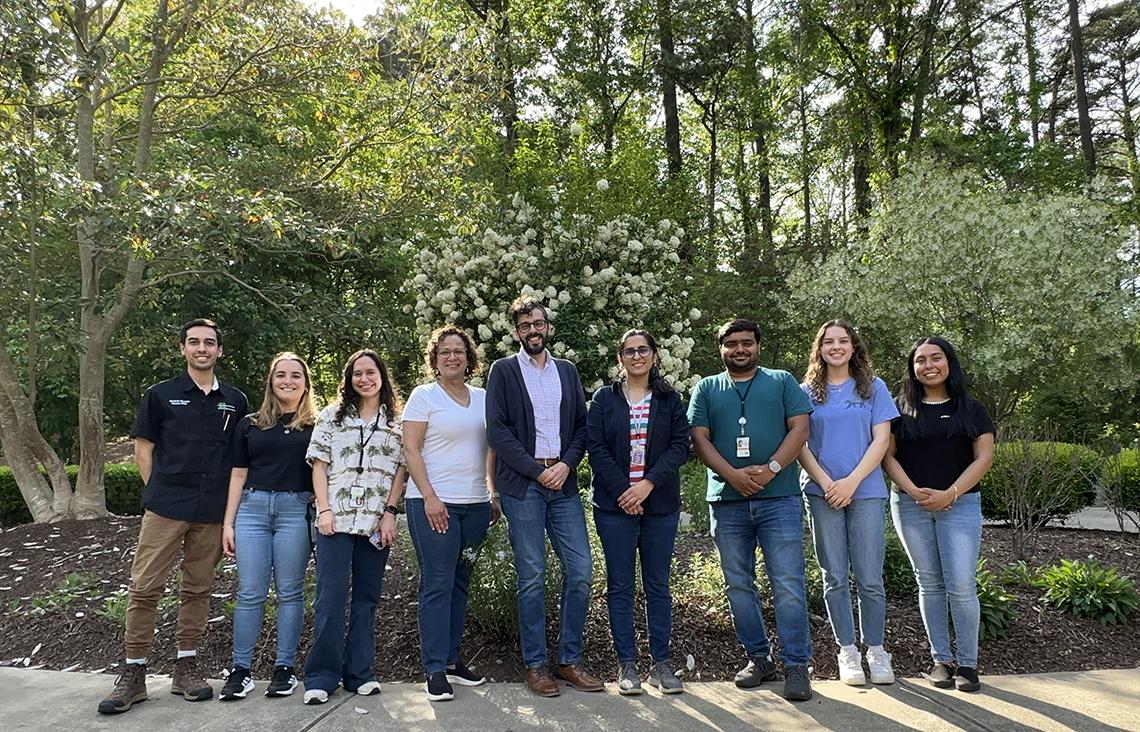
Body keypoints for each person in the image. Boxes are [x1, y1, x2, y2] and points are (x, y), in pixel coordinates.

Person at [98, 318, 249, 714]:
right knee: (145, 588)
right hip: (166, 508)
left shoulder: (235, 400)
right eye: (195, 342)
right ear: (182, 348)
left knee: (198, 589)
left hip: (211, 512)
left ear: (218, 351)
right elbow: (143, 449)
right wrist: (154, 495)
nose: (202, 348)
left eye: (210, 343)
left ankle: (187, 667)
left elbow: (239, 461)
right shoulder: (160, 396)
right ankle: (133, 674)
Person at [688, 318, 814, 702]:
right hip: (728, 502)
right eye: (731, 344)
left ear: (758, 346)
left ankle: (796, 665)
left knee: (788, 583)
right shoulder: (707, 388)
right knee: (739, 584)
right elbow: (699, 438)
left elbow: (800, 428)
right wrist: (732, 475)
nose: (739, 349)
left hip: (779, 500)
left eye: (746, 342)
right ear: (720, 348)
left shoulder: (782, 381)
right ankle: (759, 657)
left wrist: (772, 468)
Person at [485, 295, 602, 697]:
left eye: (537, 324)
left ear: (548, 326)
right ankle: (536, 665)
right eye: (524, 326)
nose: (532, 331)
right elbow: (498, 432)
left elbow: (583, 427)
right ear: (516, 332)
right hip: (523, 486)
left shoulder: (567, 371)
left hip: (564, 483)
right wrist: (538, 471)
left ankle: (568, 660)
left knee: (581, 571)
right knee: (532, 576)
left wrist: (566, 465)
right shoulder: (503, 371)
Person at [883, 337, 995, 693]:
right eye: (920, 360)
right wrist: (913, 491)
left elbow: (984, 458)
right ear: (912, 368)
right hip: (910, 506)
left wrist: (951, 493)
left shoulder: (972, 409)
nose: (928, 365)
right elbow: (887, 456)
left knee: (961, 585)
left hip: (960, 505)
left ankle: (968, 665)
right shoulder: (898, 409)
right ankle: (940, 660)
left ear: (949, 363)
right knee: (928, 583)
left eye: (936, 358)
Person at [587, 329, 691, 696]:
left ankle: (660, 663)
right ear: (620, 358)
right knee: (620, 586)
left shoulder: (669, 399)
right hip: (614, 508)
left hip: (659, 506)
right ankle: (626, 663)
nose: (636, 356)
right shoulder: (603, 399)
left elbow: (681, 446)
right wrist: (624, 492)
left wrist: (646, 485)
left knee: (657, 585)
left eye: (642, 349)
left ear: (654, 355)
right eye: (629, 351)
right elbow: (595, 448)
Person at [399, 325, 499, 702]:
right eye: (444, 352)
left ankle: (454, 662)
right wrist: (430, 497)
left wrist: (492, 493)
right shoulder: (423, 396)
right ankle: (435, 669)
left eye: (458, 351)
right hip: (433, 505)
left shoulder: (483, 398)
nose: (452, 357)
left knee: (461, 581)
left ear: (469, 358)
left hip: (475, 507)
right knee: (437, 582)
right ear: (435, 359)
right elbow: (410, 450)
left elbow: (491, 451)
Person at [797, 320, 899, 686]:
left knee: (870, 578)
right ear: (819, 348)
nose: (836, 347)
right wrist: (828, 484)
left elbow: (881, 440)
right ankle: (848, 651)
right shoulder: (806, 391)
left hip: (866, 492)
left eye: (843, 341)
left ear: (854, 348)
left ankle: (876, 649)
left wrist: (852, 482)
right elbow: (800, 444)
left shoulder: (874, 388)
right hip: (822, 494)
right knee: (834, 576)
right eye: (828, 341)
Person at [302, 349, 405, 705]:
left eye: (370, 372)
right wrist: (325, 510)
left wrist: (390, 512)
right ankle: (321, 675)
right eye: (357, 374)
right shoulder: (332, 416)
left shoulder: (396, 422)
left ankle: (360, 672)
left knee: (367, 598)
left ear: (382, 377)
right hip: (336, 520)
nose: (364, 379)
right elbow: (318, 465)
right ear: (348, 379)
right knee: (330, 598)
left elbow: (401, 471)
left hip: (376, 523)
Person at [218, 352, 319, 701]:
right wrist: (228, 523)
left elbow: (325, 473)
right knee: (250, 592)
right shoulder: (250, 424)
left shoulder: (318, 426)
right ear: (271, 381)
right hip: (252, 511)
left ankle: (284, 669)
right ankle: (241, 671)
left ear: (306, 383)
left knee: (290, 592)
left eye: (295, 375)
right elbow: (238, 474)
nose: (287, 381)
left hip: (295, 510)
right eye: (280, 375)